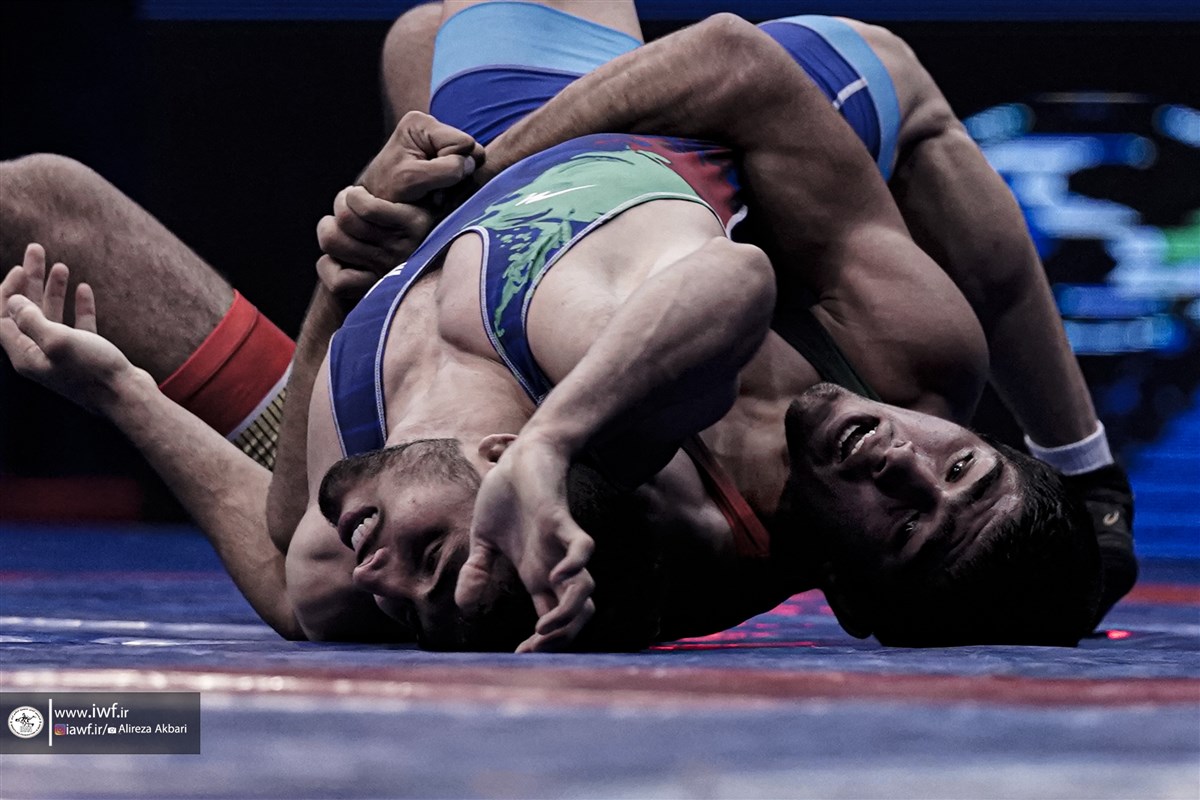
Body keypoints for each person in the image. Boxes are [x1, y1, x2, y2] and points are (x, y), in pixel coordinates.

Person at [2, 2, 1112, 651]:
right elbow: (734, 76)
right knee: (888, 69)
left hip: (439, 320)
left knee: (33, 206)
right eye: (958, 465)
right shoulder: (900, 361)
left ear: (850, 586)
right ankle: (1087, 468)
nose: (901, 462)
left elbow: (302, 581)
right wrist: (1086, 472)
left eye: (906, 520)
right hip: (588, 153)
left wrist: (333, 281)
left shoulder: (594, 545)